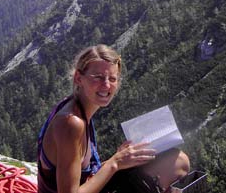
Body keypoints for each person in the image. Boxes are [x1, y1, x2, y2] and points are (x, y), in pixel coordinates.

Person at [37, 44, 190, 193]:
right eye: (98, 77)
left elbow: (81, 172)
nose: (106, 85)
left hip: (89, 183)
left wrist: (120, 157)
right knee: (175, 166)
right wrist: (115, 162)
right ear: (78, 78)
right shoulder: (71, 123)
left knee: (177, 160)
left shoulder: (77, 107)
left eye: (112, 79)